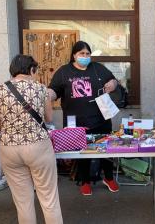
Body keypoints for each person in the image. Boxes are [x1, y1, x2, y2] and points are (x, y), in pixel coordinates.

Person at [0, 55, 63, 224]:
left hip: (9, 149)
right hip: (38, 146)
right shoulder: (41, 89)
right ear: (31, 69)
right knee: (49, 198)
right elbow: (49, 118)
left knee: (23, 202)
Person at [48, 41, 119, 196]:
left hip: (101, 119)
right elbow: (54, 90)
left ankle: (108, 177)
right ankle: (85, 181)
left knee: (106, 150)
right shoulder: (63, 72)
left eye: (87, 54)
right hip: (76, 122)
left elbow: (113, 80)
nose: (85, 56)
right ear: (74, 55)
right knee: (82, 153)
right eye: (81, 54)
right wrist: (47, 95)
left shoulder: (98, 68)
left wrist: (112, 84)